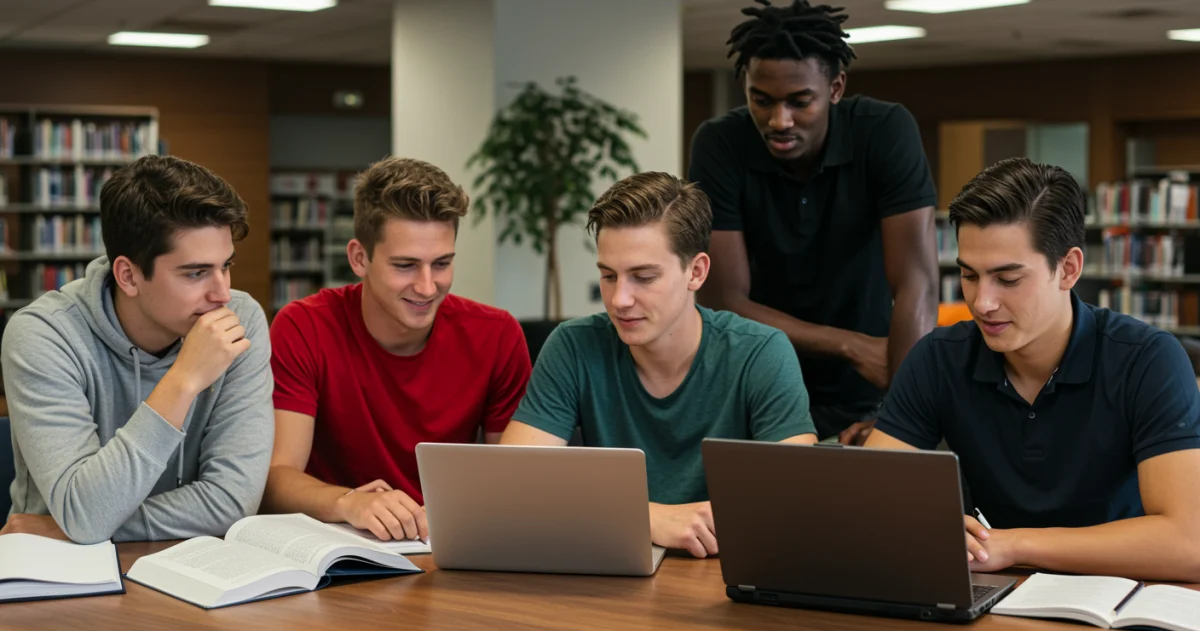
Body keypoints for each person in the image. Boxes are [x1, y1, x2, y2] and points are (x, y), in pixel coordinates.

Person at [865, 158, 1200, 582]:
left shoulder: (1148, 360)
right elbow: (868, 503)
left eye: (1007, 279)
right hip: (997, 593)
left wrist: (1014, 544)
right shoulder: (938, 358)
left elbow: (1189, 543)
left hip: (1121, 598)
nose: (982, 302)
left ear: (1069, 269)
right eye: (969, 275)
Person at [500, 171, 817, 559]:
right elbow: (513, 485)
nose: (619, 300)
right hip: (611, 571)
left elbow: (798, 500)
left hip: (724, 575)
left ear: (696, 272)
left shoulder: (760, 352)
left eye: (643, 277)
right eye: (608, 276)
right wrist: (647, 518)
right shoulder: (574, 345)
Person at [690, 0, 939, 444]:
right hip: (758, 381)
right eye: (760, 101)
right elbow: (724, 299)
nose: (778, 121)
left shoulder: (884, 131)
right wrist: (849, 344)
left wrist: (900, 416)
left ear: (836, 87)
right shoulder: (721, 144)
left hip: (871, 387)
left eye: (799, 101)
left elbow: (916, 283)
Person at [0, 155, 273, 544]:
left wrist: (77, 526)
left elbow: (232, 502)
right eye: (195, 273)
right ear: (128, 275)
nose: (222, 293)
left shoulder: (240, 318)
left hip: (188, 564)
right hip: (61, 573)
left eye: (225, 266)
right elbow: (87, 514)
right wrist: (184, 380)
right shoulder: (43, 335)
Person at [262, 157, 531, 543]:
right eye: (405, 265)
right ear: (359, 258)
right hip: (338, 544)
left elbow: (513, 481)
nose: (426, 286)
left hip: (447, 542)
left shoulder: (497, 335)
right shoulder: (303, 326)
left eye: (441, 264)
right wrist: (349, 503)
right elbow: (277, 478)